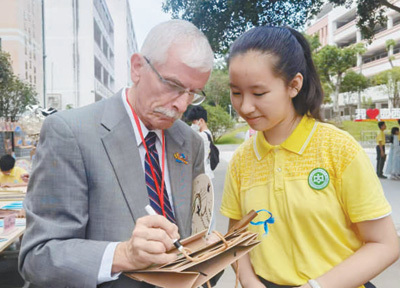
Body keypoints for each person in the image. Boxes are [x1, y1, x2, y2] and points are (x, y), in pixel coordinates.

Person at [19, 20, 214, 288]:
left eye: (193, 93)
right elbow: (38, 257)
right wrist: (124, 255)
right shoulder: (70, 132)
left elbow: (191, 231)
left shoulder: (189, 141)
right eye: (173, 85)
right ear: (137, 68)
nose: (182, 104)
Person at [220, 26, 399, 288]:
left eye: (258, 93)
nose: (245, 107)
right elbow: (236, 237)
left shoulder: (338, 149)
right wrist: (249, 281)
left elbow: (384, 244)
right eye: (236, 93)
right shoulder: (241, 161)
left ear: (294, 85)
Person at [186, 105, 214, 179]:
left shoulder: (201, 136)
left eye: (193, 122)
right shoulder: (208, 133)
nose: (192, 125)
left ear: (201, 121)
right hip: (206, 172)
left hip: (201, 174)